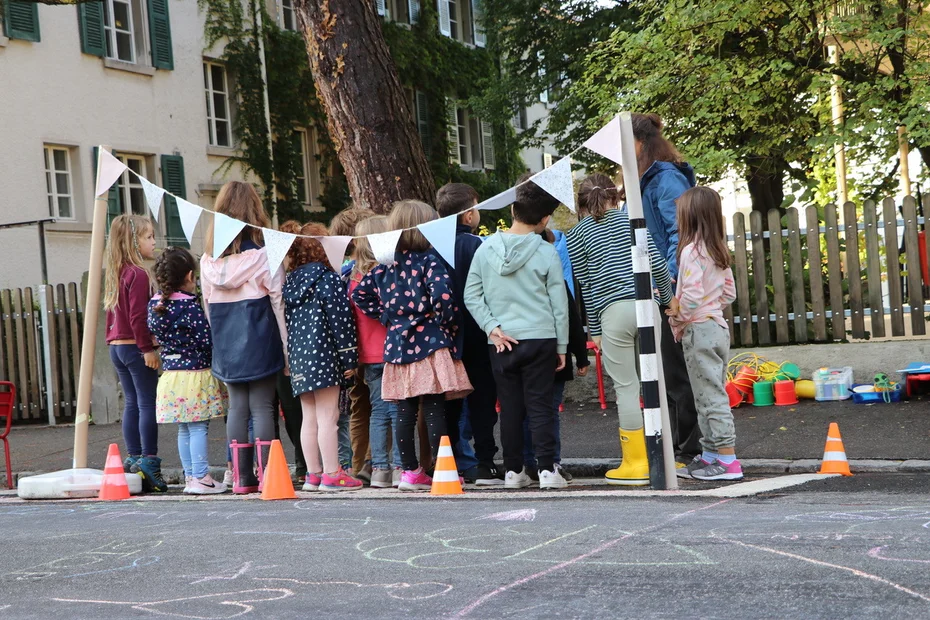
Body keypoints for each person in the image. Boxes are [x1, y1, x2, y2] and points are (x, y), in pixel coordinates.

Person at [352, 200, 473, 492]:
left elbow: (360, 294)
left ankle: (409, 473)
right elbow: (445, 299)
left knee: (404, 410)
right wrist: (447, 323)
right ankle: (442, 467)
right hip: (430, 342)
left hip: (396, 346)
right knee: (433, 409)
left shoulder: (386, 265)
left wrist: (388, 317)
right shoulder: (430, 261)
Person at [464, 174, 569, 490]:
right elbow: (559, 304)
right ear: (545, 218)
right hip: (541, 337)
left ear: (512, 210)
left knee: (509, 408)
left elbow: (472, 294)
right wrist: (562, 346)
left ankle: (513, 471)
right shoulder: (546, 251)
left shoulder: (485, 249)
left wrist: (491, 327)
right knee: (540, 407)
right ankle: (548, 470)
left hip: (501, 341)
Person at [566, 174, 673, 486]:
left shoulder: (576, 234)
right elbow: (658, 265)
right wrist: (667, 302)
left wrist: (595, 329)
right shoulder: (633, 220)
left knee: (627, 387)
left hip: (612, 314)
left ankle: (636, 462)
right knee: (656, 381)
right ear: (615, 196)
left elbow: (586, 285)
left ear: (581, 204)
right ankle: (664, 454)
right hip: (646, 306)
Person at [200, 181, 287, 494]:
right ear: (254, 212)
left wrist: (220, 342)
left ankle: (240, 478)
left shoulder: (207, 261)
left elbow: (208, 307)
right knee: (263, 407)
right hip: (261, 337)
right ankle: (267, 476)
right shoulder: (266, 256)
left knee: (237, 407)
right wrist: (287, 350)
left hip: (226, 341)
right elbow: (277, 301)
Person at [630, 112, 701, 464]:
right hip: (654, 289)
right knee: (661, 372)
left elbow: (680, 233)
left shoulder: (666, 179)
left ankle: (690, 448)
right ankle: (674, 446)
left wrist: (669, 282)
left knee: (676, 372)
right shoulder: (644, 179)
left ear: (640, 144)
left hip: (668, 289)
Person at [665, 187, 741, 481]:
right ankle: (710, 455)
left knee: (711, 399)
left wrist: (680, 313)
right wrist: (709, 308)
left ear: (690, 215)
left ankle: (728, 461)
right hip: (717, 328)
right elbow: (729, 293)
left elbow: (693, 295)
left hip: (698, 330)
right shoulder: (716, 248)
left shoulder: (690, 250)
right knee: (707, 395)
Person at [281, 221, 362, 491]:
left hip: (300, 358)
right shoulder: (328, 279)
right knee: (329, 417)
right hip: (326, 356)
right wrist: (349, 360)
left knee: (310, 417)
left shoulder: (291, 281)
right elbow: (341, 322)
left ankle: (313, 474)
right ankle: (332, 473)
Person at [435, 183, 502, 485]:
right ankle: (485, 460)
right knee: (482, 399)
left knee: (449, 400)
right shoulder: (478, 245)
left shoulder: (432, 246)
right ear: (468, 214)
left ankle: (452, 460)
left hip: (443, 333)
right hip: (476, 329)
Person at [148, 247, 228, 494]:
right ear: (191, 276)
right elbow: (206, 339)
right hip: (195, 375)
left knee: (183, 428)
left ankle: (191, 477)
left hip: (170, 376)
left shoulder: (155, 305)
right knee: (198, 428)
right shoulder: (190, 307)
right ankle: (202, 477)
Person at [522, 229, 590, 482]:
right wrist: (581, 357)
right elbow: (571, 319)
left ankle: (524, 461)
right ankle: (550, 463)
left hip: (520, 352)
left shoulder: (515, 283)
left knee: (523, 409)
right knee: (549, 410)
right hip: (552, 353)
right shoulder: (556, 281)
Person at [104, 214, 164, 491]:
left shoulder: (116, 271)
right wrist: (147, 349)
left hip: (117, 347)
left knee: (132, 402)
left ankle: (134, 456)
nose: (154, 241)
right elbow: (139, 316)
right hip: (134, 346)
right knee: (146, 403)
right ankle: (149, 460)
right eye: (149, 236)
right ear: (134, 241)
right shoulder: (138, 274)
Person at [348, 216, 402, 488]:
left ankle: (379, 469)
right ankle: (401, 467)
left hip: (367, 355)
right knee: (398, 411)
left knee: (378, 412)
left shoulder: (353, 277)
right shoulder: (388, 273)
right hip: (394, 351)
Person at [330, 206, 376, 479]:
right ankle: (376, 462)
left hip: (350, 353)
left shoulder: (340, 273)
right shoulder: (375, 269)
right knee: (382, 409)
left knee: (359, 407)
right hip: (375, 349)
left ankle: (358, 465)